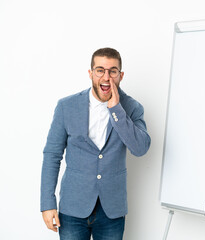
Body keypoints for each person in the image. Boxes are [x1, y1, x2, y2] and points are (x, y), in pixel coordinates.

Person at [40, 47, 151, 240]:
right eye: (100, 70)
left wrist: (116, 109)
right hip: (73, 207)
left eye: (113, 71)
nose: (106, 77)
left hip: (111, 211)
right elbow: (52, 154)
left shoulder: (132, 108)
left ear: (121, 75)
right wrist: (47, 203)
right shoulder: (67, 106)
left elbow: (140, 148)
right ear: (91, 73)